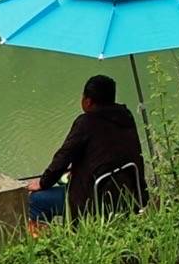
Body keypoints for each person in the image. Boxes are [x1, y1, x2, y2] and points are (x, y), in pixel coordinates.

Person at [28, 72, 146, 222]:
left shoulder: (86, 122)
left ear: (88, 101)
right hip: (129, 195)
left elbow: (62, 158)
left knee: (36, 200)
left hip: (94, 200)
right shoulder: (126, 117)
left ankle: (47, 243)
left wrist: (43, 182)